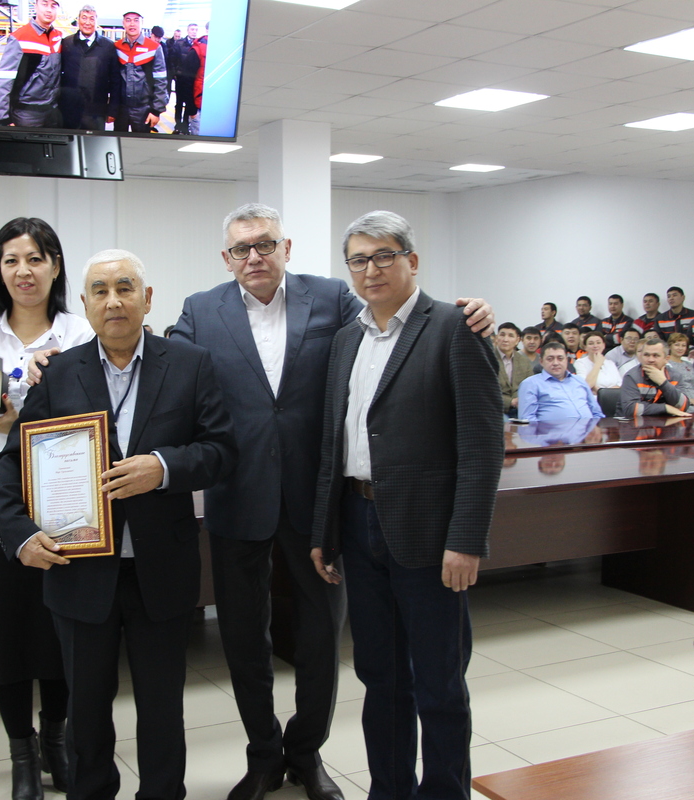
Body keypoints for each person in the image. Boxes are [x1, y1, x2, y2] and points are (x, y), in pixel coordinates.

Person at [168, 203, 493, 800]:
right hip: (241, 498)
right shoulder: (200, 310)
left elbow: (403, 324)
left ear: (286, 247)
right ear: (226, 258)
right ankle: (264, 755)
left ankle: (307, 751)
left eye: (265, 244)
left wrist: (473, 314)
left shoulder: (334, 300)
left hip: (320, 505)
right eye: (241, 248)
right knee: (249, 641)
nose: (254, 256)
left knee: (325, 640)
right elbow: (166, 371)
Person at [0, 248, 238, 800]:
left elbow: (222, 450)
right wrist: (20, 534)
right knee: (86, 714)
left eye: (125, 288)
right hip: (80, 573)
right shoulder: (60, 373)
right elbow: (13, 464)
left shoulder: (190, 364)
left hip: (161, 571)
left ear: (147, 299)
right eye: (100, 292)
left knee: (162, 709)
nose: (113, 302)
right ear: (84, 304)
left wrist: (164, 467)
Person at [309, 210, 503, 800]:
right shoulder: (346, 339)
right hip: (357, 522)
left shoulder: (455, 328)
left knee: (439, 681)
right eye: (359, 260)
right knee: (381, 677)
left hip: (430, 533)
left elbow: (482, 445)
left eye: (384, 256)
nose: (371, 269)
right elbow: (334, 442)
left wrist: (465, 539)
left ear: (412, 261)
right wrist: (324, 531)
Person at [0, 217, 93, 800]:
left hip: (62, 498)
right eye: (11, 260)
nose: (23, 271)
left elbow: (93, 418)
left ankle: (56, 738)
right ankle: (21, 752)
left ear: (55, 265)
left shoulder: (79, 332)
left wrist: (18, 421)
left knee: (60, 626)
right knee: (1, 629)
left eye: (34, 258)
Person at [0, 0, 63, 128]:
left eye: (53, 6)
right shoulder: (19, 37)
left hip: (52, 111)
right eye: (44, 4)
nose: (49, 9)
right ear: (35, 6)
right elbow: (4, 80)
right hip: (27, 114)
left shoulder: (57, 37)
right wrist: (2, 119)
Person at [60, 4, 121, 131]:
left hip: (97, 111)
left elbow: (115, 80)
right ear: (78, 20)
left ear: (96, 21)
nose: (87, 22)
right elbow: (58, 75)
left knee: (95, 142)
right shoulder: (66, 43)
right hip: (69, 109)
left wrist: (113, 109)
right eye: (84, 18)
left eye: (92, 18)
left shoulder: (108, 46)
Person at [518, 341, 604, 421]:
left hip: (588, 430)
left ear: (566, 360)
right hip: (552, 432)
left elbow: (597, 413)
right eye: (550, 359)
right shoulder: (530, 384)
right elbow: (527, 419)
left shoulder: (579, 381)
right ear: (541, 361)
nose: (556, 363)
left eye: (560, 358)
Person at [115, 11, 168, 133]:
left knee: (141, 142)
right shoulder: (117, 47)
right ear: (123, 23)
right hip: (121, 108)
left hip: (144, 109)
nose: (132, 24)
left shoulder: (154, 48)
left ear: (142, 23)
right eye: (128, 20)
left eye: (136, 20)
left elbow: (161, 81)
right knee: (118, 141)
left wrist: (156, 111)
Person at [620, 338, 690, 417]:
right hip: (635, 423)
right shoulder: (631, 377)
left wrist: (663, 382)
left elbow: (683, 406)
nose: (650, 359)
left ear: (666, 359)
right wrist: (665, 408)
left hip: (668, 422)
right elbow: (630, 409)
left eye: (656, 355)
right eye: (646, 355)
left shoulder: (675, 376)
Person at [666, 333, 694, 409]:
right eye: (677, 345)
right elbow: (670, 390)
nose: (680, 348)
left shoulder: (689, 364)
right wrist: (690, 401)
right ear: (670, 346)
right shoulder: (666, 364)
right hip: (680, 403)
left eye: (683, 345)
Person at [496, 322, 529, 417]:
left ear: (517, 340)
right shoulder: (488, 358)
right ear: (497, 338)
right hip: (496, 409)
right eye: (502, 335)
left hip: (520, 408)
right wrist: (511, 401)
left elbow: (530, 386)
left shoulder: (524, 361)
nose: (505, 339)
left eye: (510, 336)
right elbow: (485, 390)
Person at [172, 23, 200, 133]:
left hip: (192, 80)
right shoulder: (179, 44)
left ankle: (185, 126)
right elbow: (173, 59)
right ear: (188, 31)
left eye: (196, 30)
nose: (194, 32)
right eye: (192, 29)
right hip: (180, 79)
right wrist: (175, 74)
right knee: (179, 103)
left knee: (189, 103)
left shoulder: (198, 45)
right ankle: (178, 125)